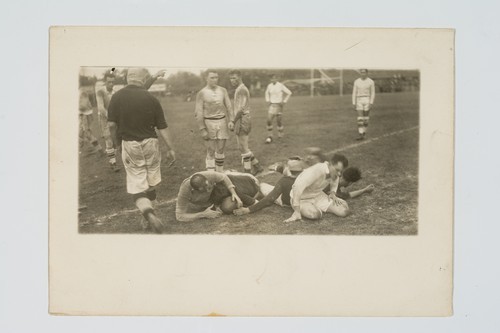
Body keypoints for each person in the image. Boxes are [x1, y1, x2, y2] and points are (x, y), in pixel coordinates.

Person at [107, 67, 176, 234]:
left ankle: (148, 214)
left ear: (128, 78)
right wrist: (171, 148)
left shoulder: (116, 97)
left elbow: (111, 125)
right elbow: (162, 127)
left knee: (137, 185)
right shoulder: (151, 98)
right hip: (151, 143)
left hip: (130, 144)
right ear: (142, 78)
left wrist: (116, 145)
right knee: (151, 181)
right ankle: (149, 212)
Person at [284, 153, 349, 222]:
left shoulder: (333, 172)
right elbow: (297, 187)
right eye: (337, 170)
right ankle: (311, 208)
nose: (339, 174)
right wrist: (297, 210)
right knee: (314, 214)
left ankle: (316, 207)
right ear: (330, 164)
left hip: (317, 196)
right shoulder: (316, 170)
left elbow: (335, 180)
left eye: (341, 171)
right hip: (302, 199)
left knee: (344, 211)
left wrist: (333, 193)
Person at [195, 70, 233, 172]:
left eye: (216, 77)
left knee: (220, 150)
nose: (215, 80)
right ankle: (211, 175)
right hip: (208, 122)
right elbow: (198, 112)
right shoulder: (201, 93)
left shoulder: (223, 90)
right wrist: (202, 129)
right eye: (212, 77)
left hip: (222, 122)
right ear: (206, 78)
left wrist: (231, 120)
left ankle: (220, 173)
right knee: (211, 150)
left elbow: (229, 106)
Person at [227, 70, 263, 175]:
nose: (232, 80)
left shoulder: (242, 90)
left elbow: (241, 109)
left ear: (239, 77)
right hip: (241, 119)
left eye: (234, 78)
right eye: (230, 78)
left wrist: (233, 121)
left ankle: (247, 173)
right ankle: (257, 166)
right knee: (241, 147)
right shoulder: (239, 89)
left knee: (243, 147)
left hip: (243, 119)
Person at [175, 171, 243, 222]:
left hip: (219, 192)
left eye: (208, 186)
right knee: (228, 207)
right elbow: (179, 216)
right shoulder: (185, 191)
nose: (207, 190)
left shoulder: (208, 175)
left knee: (229, 206)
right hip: (210, 200)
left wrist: (234, 193)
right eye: (204, 189)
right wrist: (203, 214)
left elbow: (224, 177)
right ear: (195, 190)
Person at [96, 70, 119, 171]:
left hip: (114, 118)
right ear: (105, 82)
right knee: (108, 139)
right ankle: (113, 163)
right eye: (109, 82)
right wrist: (109, 117)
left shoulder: (115, 92)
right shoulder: (100, 91)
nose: (111, 84)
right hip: (104, 118)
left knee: (115, 141)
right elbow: (101, 107)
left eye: (113, 82)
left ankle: (112, 159)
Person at [264, 74, 292, 143]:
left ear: (277, 79)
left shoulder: (280, 85)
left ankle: (280, 134)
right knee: (269, 120)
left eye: (275, 78)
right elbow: (266, 93)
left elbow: (289, 93)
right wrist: (268, 100)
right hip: (272, 105)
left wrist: (284, 101)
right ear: (270, 79)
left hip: (279, 105)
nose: (273, 80)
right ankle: (270, 136)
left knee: (278, 121)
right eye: (272, 78)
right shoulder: (269, 86)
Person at [79, 87, 104, 155]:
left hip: (85, 115)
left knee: (87, 134)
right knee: (81, 134)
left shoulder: (81, 92)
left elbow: (83, 106)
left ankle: (99, 150)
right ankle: (92, 148)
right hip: (82, 115)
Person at [352, 69, 375, 140]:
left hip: (367, 99)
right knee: (360, 118)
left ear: (367, 73)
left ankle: (364, 132)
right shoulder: (356, 81)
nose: (363, 74)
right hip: (359, 100)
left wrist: (371, 102)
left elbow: (373, 93)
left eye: (364, 72)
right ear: (360, 73)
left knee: (365, 118)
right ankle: (360, 134)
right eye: (361, 72)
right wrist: (353, 102)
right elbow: (354, 92)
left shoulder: (371, 81)